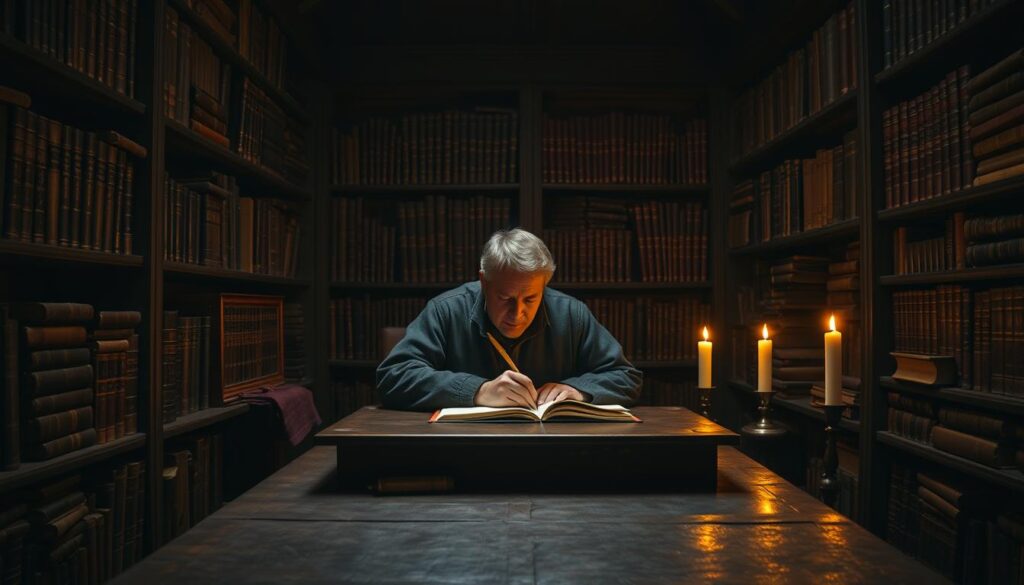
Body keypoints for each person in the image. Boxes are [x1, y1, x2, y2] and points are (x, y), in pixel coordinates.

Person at [377, 228, 642, 411]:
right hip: (459, 449)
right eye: (505, 298)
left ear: (544, 285)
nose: (518, 314)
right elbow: (393, 377)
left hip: (555, 452)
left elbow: (626, 377)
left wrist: (578, 391)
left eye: (530, 299)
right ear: (484, 282)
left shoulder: (571, 313)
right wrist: (478, 391)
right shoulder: (446, 310)